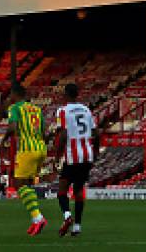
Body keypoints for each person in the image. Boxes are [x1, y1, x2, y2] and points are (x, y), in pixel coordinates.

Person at [52, 83, 97, 237]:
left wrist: (57, 157)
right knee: (78, 191)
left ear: (65, 94)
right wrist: (94, 154)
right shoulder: (86, 110)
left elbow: (63, 135)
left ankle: (67, 216)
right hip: (87, 156)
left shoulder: (63, 111)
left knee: (62, 190)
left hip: (72, 156)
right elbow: (96, 134)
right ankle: (77, 226)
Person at [4, 84, 48, 236]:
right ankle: (35, 220)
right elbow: (44, 130)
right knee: (28, 184)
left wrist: (3, 141)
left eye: (11, 96)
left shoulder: (15, 108)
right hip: (41, 148)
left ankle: (38, 217)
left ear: (15, 95)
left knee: (19, 184)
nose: (10, 99)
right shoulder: (37, 109)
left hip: (27, 150)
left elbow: (12, 127)